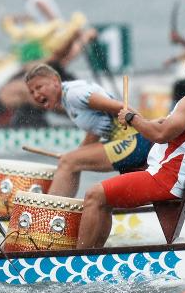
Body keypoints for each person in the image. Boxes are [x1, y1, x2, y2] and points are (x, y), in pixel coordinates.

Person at [77, 51, 185, 248]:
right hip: (176, 180)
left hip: (164, 179)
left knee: (94, 195)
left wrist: (131, 118)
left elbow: (160, 135)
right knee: (104, 200)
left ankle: (78, 257)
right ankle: (94, 253)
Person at [24, 64, 153, 197]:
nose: (36, 95)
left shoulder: (73, 95)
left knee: (69, 162)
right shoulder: (68, 97)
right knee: (70, 160)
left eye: (39, 87)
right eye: (31, 92)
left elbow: (122, 107)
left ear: (55, 81)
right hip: (129, 142)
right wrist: (77, 154)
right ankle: (61, 206)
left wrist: (150, 133)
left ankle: (51, 208)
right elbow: (96, 129)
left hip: (134, 142)